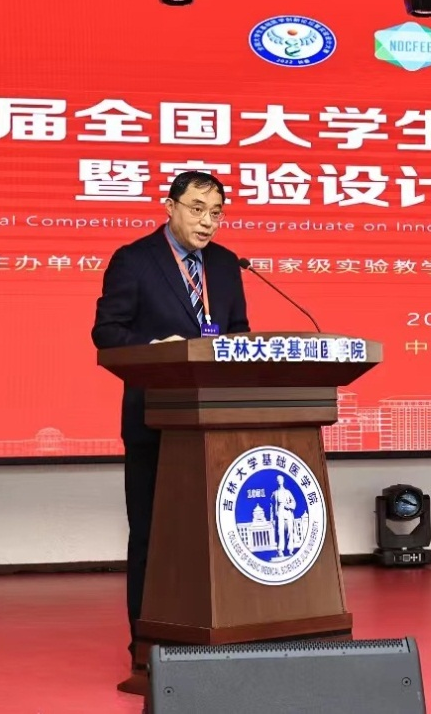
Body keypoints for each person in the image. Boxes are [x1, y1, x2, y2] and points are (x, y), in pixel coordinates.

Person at [91, 170, 250, 666]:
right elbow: (107, 332)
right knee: (153, 536)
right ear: (169, 206)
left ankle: (216, 634)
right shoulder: (134, 260)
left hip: (217, 426)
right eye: (197, 209)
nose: (207, 222)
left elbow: (239, 333)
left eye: (216, 213)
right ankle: (148, 647)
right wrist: (155, 348)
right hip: (155, 420)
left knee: (215, 537)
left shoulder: (225, 264)